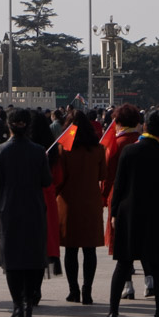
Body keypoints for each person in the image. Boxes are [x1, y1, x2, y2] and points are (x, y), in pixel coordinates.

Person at [106, 108, 159, 317]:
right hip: (156, 217)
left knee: (123, 265)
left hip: (129, 215)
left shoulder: (130, 152)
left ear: (145, 126)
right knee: (158, 268)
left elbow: (119, 185)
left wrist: (113, 213)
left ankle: (113, 314)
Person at [0, 108, 53, 317]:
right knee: (33, 258)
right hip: (33, 208)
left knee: (11, 260)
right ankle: (28, 302)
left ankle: (17, 306)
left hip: (8, 210)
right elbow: (46, 181)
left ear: (9, 125)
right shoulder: (39, 151)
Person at [54, 112, 104, 305]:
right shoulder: (99, 149)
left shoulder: (63, 150)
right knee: (90, 250)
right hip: (91, 203)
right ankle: (88, 291)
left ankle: (73, 290)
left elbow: (59, 179)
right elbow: (103, 174)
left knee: (71, 250)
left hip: (68, 203)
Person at [101, 104, 143, 299]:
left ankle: (128, 285)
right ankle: (150, 281)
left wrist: (104, 194)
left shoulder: (116, 145)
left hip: (119, 198)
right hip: (143, 196)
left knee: (122, 245)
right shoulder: (142, 142)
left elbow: (108, 174)